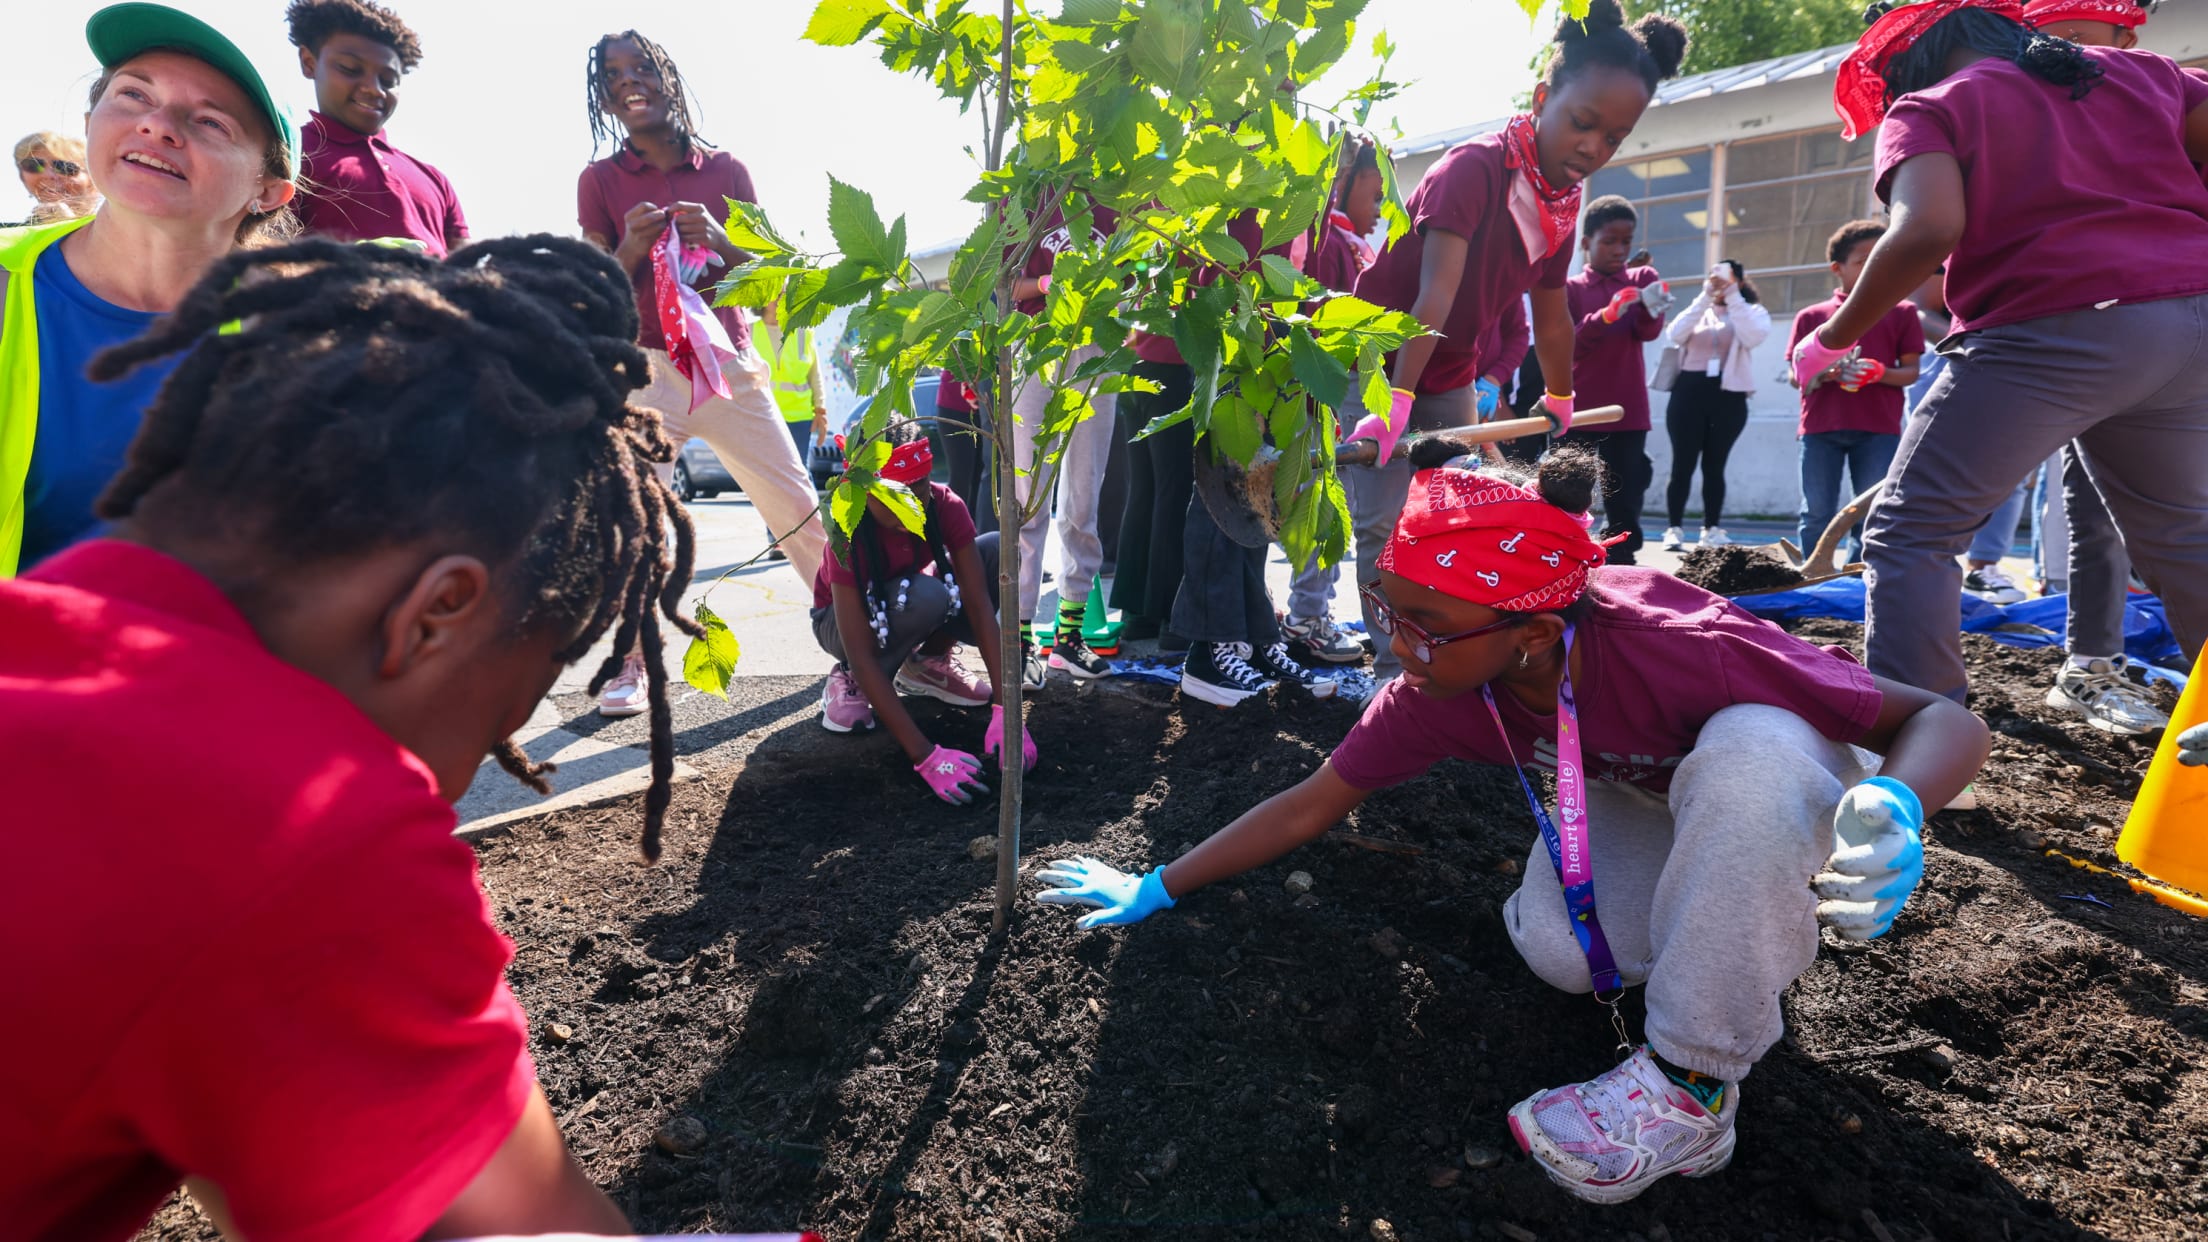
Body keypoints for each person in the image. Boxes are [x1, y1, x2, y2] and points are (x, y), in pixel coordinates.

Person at [1035, 440, 1988, 1205]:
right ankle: (1726, 940)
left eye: (1425, 625)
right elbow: (1314, 800)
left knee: (1746, 757)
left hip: (1787, 766)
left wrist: (1897, 801)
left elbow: (1943, 718)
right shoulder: (1439, 685)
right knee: (1564, 957)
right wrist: (1156, 885)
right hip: (1643, 792)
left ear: (1533, 635)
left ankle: (1697, 1082)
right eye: (1388, 611)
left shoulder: (1685, 647)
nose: (1397, 646)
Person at [0, 233, 687, 1238]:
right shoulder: (304, 824)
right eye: (500, 717)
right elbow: (524, 1225)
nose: (451, 789)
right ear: (435, 614)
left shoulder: (48, 632)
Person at [1801, 0, 2208, 705]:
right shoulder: (2143, 74)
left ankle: (1925, 744)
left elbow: (1928, 227)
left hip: (2053, 331)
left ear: (1906, 68)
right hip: (2190, 327)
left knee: (1909, 534)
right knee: (2183, 538)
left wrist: (1830, 338)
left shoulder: (1932, 106)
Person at [1350, 0, 1686, 684]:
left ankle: (1445, 655)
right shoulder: (1473, 170)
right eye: (1583, 123)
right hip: (1380, 358)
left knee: (1448, 517)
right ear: (1542, 98)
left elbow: (1552, 311)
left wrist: (1560, 394)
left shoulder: (1562, 203)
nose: (1594, 146)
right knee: (1384, 523)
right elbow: (1432, 296)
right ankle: (1393, 673)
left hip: (1447, 369)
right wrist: (1394, 403)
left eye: (1614, 138)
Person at [578, 28, 829, 715]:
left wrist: (720, 243)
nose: (629, 81)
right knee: (633, 526)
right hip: (647, 375)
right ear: (602, 93)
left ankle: (851, 644)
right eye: (613, 74)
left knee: (799, 510)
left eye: (642, 68)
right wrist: (628, 247)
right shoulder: (599, 181)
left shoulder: (728, 172)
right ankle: (630, 661)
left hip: (728, 367)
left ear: (668, 76)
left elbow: (769, 283)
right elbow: (591, 292)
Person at [1, 4, 299, 579]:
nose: (158, 125)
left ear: (267, 192)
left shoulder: (306, 349)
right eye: (135, 95)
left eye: (212, 122)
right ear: (89, 123)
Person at [811, 420, 1036, 802]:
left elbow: (981, 607)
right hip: (843, 626)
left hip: (908, 600)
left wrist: (1006, 710)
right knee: (927, 595)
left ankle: (926, 664)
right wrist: (925, 756)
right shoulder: (847, 528)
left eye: (921, 484)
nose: (915, 500)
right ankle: (845, 677)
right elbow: (863, 655)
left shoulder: (944, 504)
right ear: (865, 490)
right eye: (899, 491)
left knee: (999, 551)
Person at [1005, 198, 1120, 686]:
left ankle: (1069, 638)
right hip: (1035, 343)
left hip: (1097, 350)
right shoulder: (1031, 191)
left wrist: (1119, 283)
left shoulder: (1116, 195)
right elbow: (1005, 283)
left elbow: (1138, 271)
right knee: (1029, 497)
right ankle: (1022, 638)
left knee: (1084, 495)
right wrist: (1052, 285)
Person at [1282, 136, 1385, 668]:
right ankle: (1306, 616)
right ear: (1342, 185)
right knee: (1324, 499)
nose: (1380, 208)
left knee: (1330, 498)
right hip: (1328, 385)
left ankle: (1310, 610)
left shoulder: (1346, 243)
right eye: (1374, 192)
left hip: (1342, 384)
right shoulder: (1324, 241)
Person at [1790, 220, 1924, 563]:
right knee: (1817, 511)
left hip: (1878, 428)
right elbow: (1796, 375)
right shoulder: (1812, 316)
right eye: (1864, 260)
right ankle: (1812, 575)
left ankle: (1858, 577)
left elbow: (1911, 372)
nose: (1876, 266)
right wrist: (1824, 370)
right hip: (1820, 427)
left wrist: (1879, 373)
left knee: (1869, 511)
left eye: (1884, 255)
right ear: (1837, 268)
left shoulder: (1903, 312)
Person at [287, 0, 466, 257]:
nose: (374, 89)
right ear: (309, 63)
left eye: (388, 80)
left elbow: (469, 263)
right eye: (350, 69)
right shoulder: (289, 153)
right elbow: (262, 248)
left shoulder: (436, 180)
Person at [1562, 195, 1672, 564]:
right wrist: (1604, 317)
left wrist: (1651, 304)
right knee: (1569, 488)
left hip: (1626, 408)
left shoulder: (1641, 279)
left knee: (1624, 493)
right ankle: (1563, 552)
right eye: (1609, 240)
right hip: (1577, 408)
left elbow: (1649, 332)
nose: (1619, 249)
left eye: (1626, 241)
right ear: (1586, 243)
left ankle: (1623, 561)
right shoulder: (1572, 289)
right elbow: (1567, 347)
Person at [1659, 259, 1769, 551]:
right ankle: (1674, 528)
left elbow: (1753, 336)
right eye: (1715, 276)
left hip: (1728, 396)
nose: (1720, 282)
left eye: (1727, 277)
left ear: (1741, 281)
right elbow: (1675, 333)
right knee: (1682, 464)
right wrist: (1706, 295)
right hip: (1688, 393)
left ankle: (1711, 528)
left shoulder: (1751, 312)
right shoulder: (1699, 308)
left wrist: (1733, 296)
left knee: (1714, 465)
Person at [759, 302, 828, 459]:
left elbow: (815, 375)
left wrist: (820, 410)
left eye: (783, 294)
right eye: (775, 294)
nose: (778, 300)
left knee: (799, 471)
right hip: (762, 414)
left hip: (799, 419)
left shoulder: (803, 333)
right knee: (765, 472)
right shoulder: (747, 331)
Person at [13, 131, 97, 224]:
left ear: (93, 178)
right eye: (33, 165)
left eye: (64, 167)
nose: (48, 175)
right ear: (22, 177)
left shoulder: (112, 224)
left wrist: (67, 225)